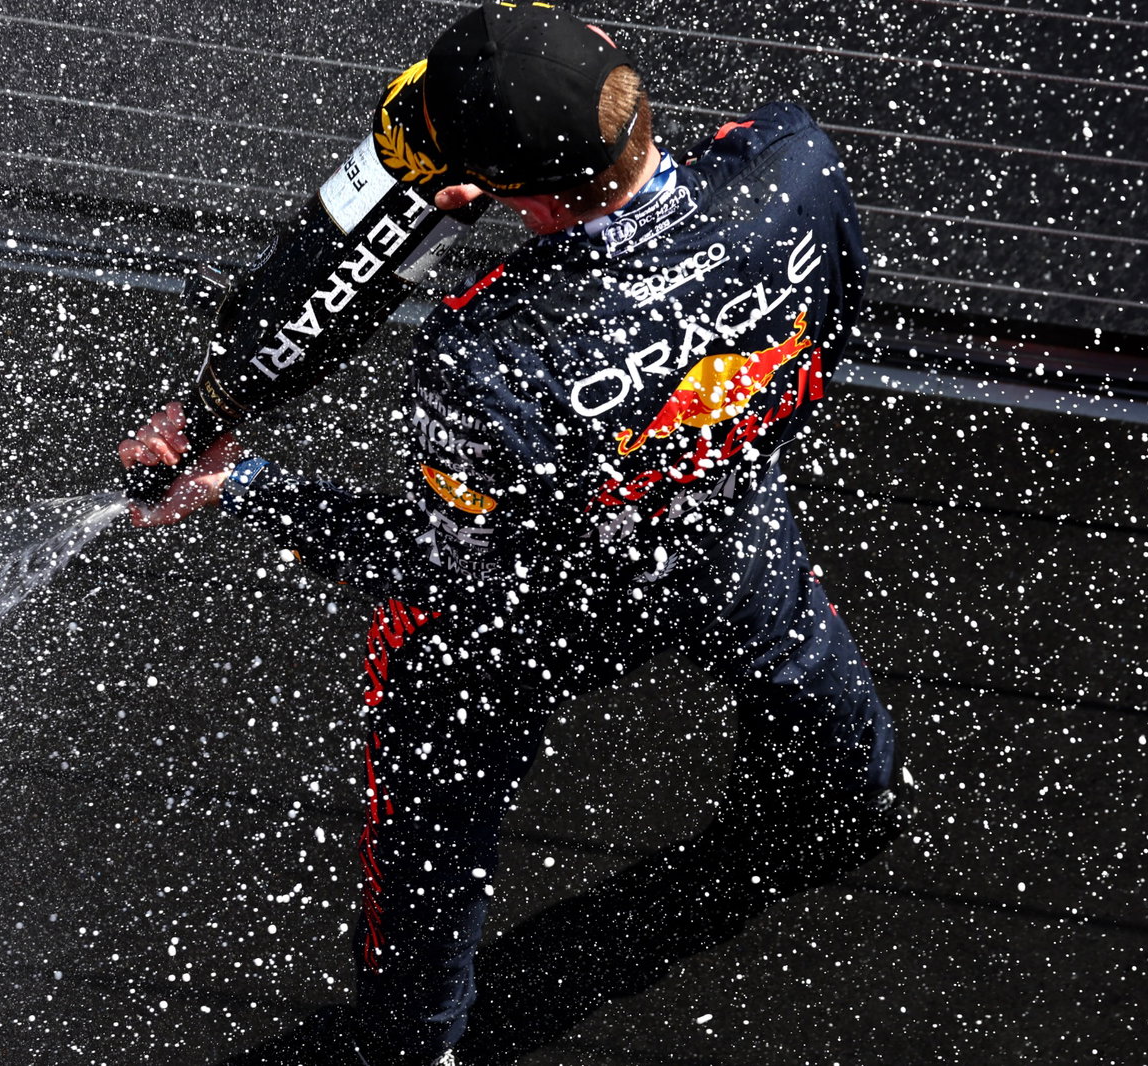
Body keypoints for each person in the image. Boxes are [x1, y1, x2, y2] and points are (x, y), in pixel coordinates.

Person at [119, 4, 915, 1063]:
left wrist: (247, 483)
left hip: (532, 612)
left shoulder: (486, 355)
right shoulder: (791, 158)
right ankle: (848, 797)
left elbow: (437, 562)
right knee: (807, 680)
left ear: (513, 198)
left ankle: (417, 1038)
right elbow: (834, 319)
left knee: (432, 822)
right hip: (723, 516)